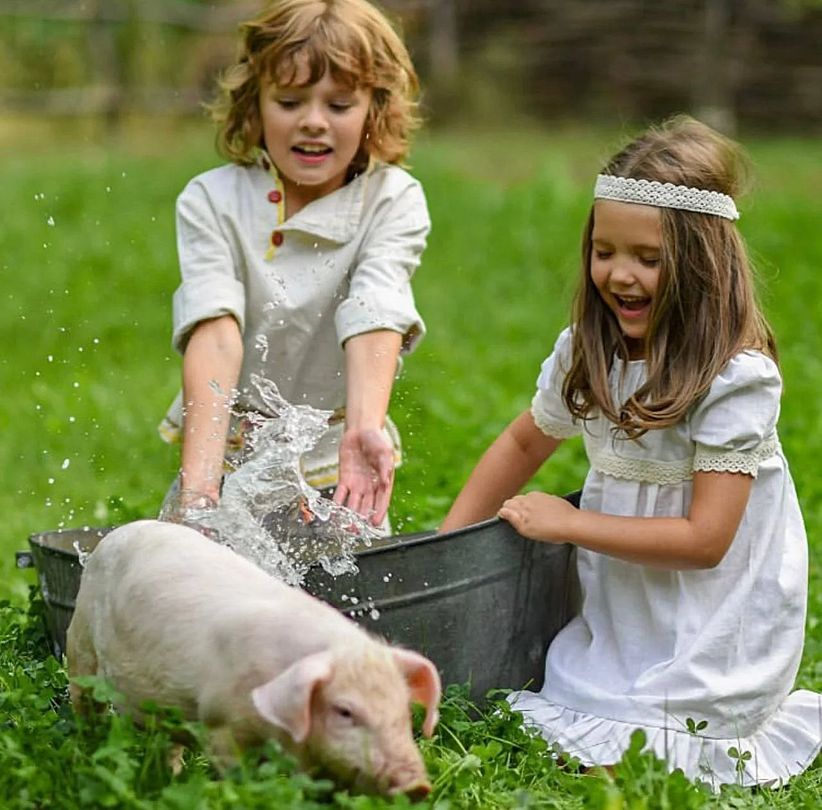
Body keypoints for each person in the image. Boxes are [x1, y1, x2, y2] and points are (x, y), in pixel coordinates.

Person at [439, 116, 820, 788]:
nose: (619, 274)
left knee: (657, 741)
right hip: (626, 603)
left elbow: (706, 540)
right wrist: (450, 544)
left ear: (702, 265)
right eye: (605, 251)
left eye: (648, 258)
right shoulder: (590, 352)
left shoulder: (735, 379)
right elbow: (527, 438)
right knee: (574, 706)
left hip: (711, 619)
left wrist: (567, 523)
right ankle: (611, 676)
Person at [158, 0, 429, 529]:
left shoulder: (392, 200)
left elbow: (376, 309)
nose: (312, 123)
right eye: (289, 100)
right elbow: (214, 332)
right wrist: (199, 494)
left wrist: (364, 429)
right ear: (254, 104)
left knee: (339, 608)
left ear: (374, 108)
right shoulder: (212, 200)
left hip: (339, 457)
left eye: (339, 105)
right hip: (228, 451)